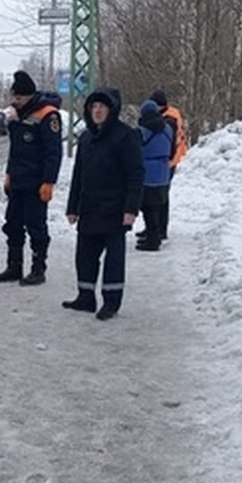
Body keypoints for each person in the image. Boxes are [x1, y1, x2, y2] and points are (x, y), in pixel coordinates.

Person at [63, 87, 144, 321]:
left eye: (102, 107)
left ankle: (111, 302)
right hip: (89, 208)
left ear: (112, 110)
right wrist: (72, 207)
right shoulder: (87, 137)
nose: (97, 111)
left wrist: (131, 208)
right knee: (84, 256)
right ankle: (85, 297)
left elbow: (135, 174)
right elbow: (78, 174)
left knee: (114, 260)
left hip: (115, 210)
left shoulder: (125, 136)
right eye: (93, 107)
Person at [0, 70, 63, 286]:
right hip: (18, 180)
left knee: (36, 226)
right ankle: (14, 267)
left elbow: (53, 152)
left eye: (18, 98)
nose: (15, 101)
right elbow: (16, 150)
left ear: (29, 96)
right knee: (12, 224)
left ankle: (38, 269)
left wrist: (49, 181)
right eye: (14, 97)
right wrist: (9, 174)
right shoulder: (18, 115)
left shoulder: (48, 115)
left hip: (37, 183)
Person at [139, 89, 188, 245]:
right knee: (159, 197)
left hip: (167, 162)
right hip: (168, 161)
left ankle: (158, 230)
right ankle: (155, 229)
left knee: (157, 198)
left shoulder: (168, 120)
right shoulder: (170, 118)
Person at [135, 100, 173, 251]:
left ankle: (152, 241)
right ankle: (156, 235)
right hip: (164, 171)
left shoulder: (143, 131)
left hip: (148, 173)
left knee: (148, 208)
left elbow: (135, 149)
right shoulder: (168, 128)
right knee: (158, 207)